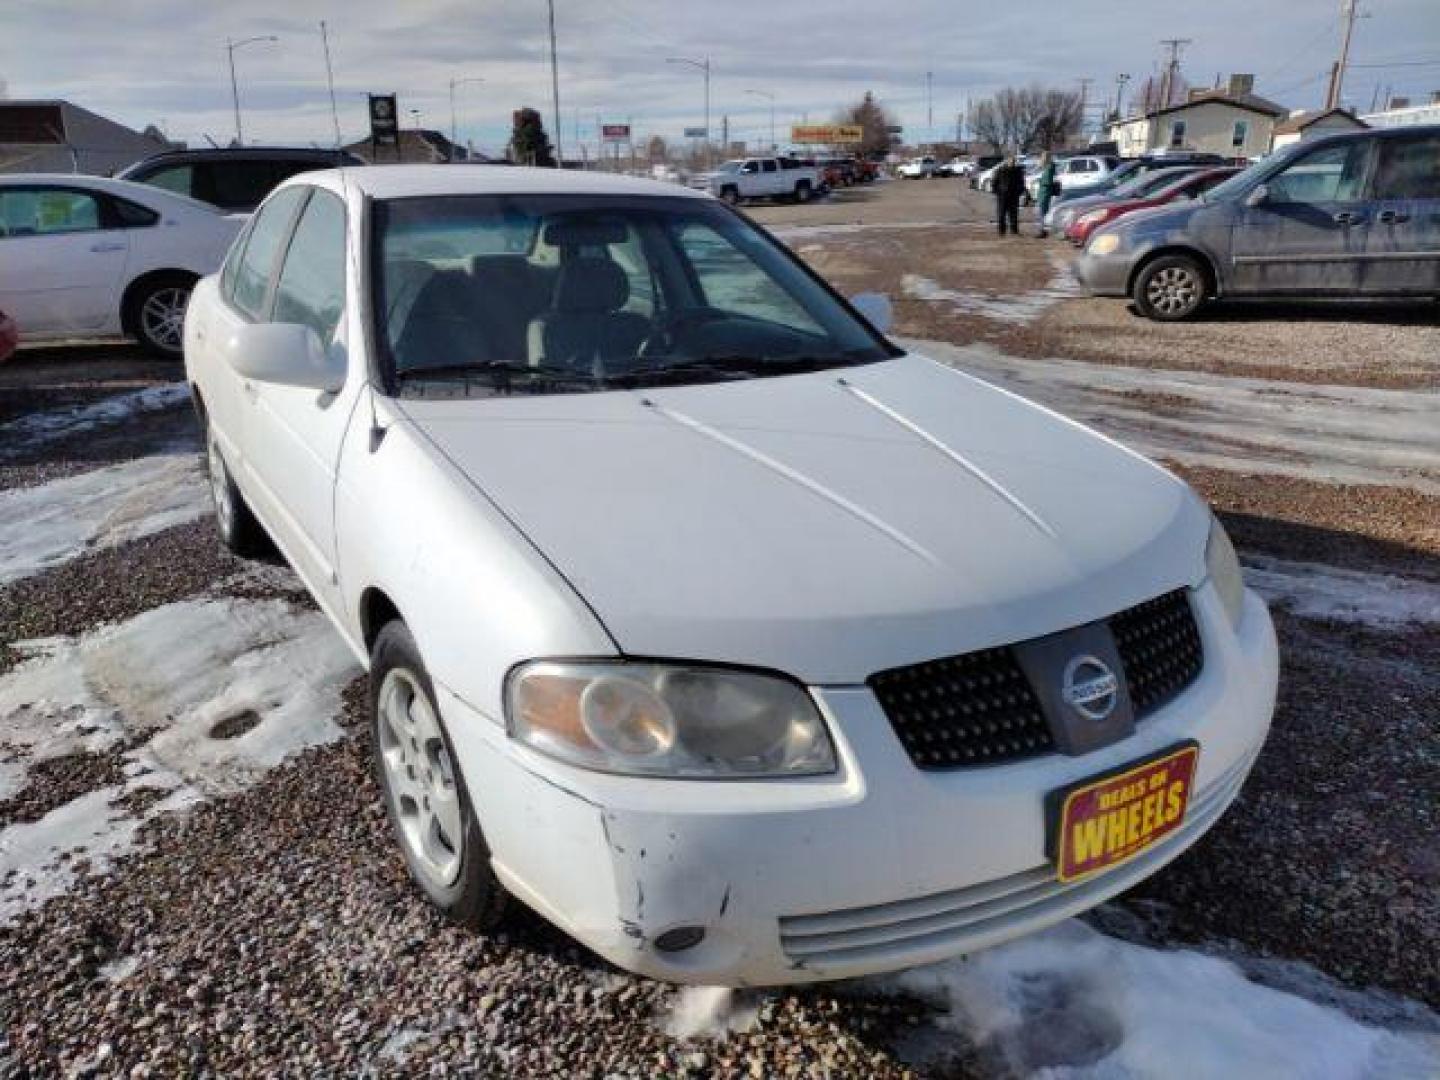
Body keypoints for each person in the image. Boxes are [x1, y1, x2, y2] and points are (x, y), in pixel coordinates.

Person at [993, 153, 1025, 236]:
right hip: (1003, 195)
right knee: (1001, 214)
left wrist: (1019, 191)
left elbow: (1021, 183)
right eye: (1011, 161)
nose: (1012, 162)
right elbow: (994, 182)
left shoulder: (1018, 171)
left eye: (1013, 161)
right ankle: (1001, 231)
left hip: (1014, 195)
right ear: (1007, 161)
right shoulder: (1000, 170)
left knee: (1014, 214)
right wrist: (998, 192)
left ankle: (1014, 230)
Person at [1034, 152, 1058, 237]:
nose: (1041, 159)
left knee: (1042, 211)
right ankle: (1042, 229)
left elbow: (1048, 181)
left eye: (1042, 157)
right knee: (1041, 211)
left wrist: (1040, 180)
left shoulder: (1050, 167)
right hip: (1043, 191)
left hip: (1045, 191)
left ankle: (1042, 231)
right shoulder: (1046, 167)